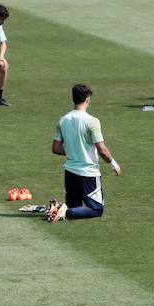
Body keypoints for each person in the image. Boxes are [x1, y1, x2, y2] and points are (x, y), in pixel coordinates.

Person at [43, 84, 121, 223]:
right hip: (88, 174)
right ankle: (63, 211)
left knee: (75, 207)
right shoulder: (92, 121)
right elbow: (101, 149)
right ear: (87, 99)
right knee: (97, 209)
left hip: (70, 173)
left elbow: (55, 148)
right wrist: (113, 164)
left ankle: (60, 210)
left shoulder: (63, 120)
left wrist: (72, 151)